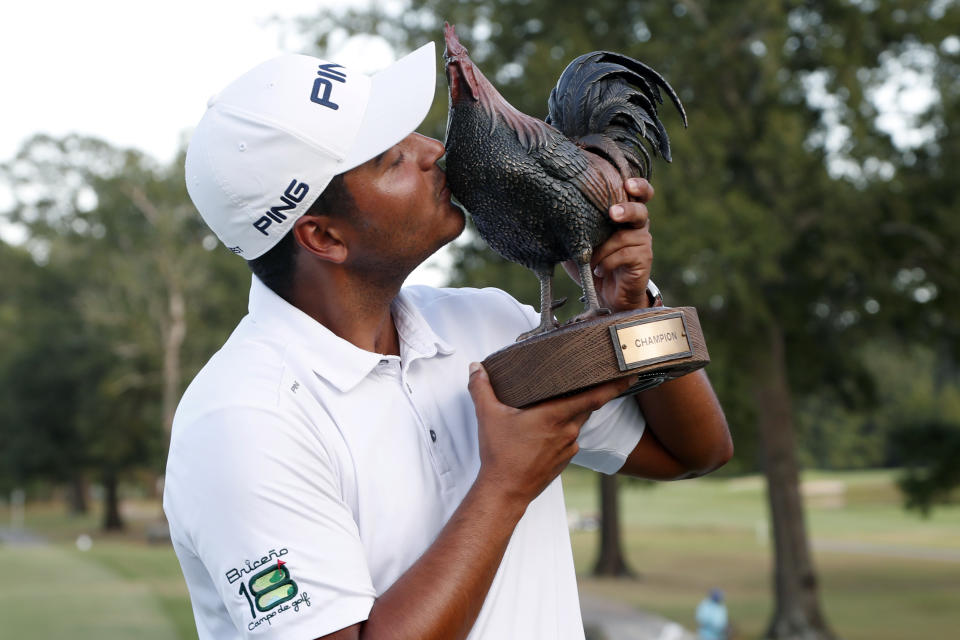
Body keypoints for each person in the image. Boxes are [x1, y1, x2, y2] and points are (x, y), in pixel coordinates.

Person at [163, 40, 732, 640]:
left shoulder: (486, 326)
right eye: (391, 158)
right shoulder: (241, 422)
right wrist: (505, 485)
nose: (435, 151)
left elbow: (692, 452)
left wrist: (629, 308)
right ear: (323, 236)